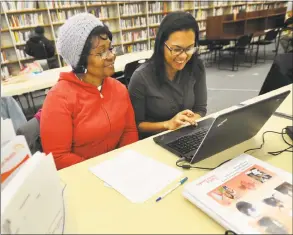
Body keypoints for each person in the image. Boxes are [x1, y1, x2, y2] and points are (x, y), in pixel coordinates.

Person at [40, 13, 138, 170]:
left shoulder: (119, 88)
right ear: (80, 60)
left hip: (120, 170)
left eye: (110, 48)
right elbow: (58, 157)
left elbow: (129, 130)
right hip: (82, 176)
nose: (111, 56)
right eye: (101, 52)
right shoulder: (58, 98)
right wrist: (102, 170)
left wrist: (124, 162)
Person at [128, 12, 207, 139]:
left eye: (189, 48)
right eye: (176, 49)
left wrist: (189, 121)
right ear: (161, 45)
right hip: (154, 141)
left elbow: (200, 109)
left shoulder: (197, 67)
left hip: (187, 135)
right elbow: (137, 125)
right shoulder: (141, 77)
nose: (183, 56)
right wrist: (167, 124)